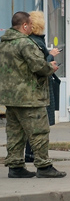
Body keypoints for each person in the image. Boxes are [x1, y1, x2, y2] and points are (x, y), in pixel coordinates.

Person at [1, 12, 65, 178]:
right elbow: (39, 67)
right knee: (39, 132)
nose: (31, 28)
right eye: (29, 25)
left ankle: (15, 167)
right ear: (24, 26)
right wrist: (50, 67)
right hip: (29, 96)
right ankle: (44, 166)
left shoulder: (4, 43)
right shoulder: (26, 44)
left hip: (10, 97)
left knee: (15, 133)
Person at [23, 11, 60, 164]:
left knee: (34, 124)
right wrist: (50, 58)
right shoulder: (35, 42)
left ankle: (31, 154)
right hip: (38, 89)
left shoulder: (31, 41)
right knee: (38, 125)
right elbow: (39, 64)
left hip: (35, 88)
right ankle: (35, 156)